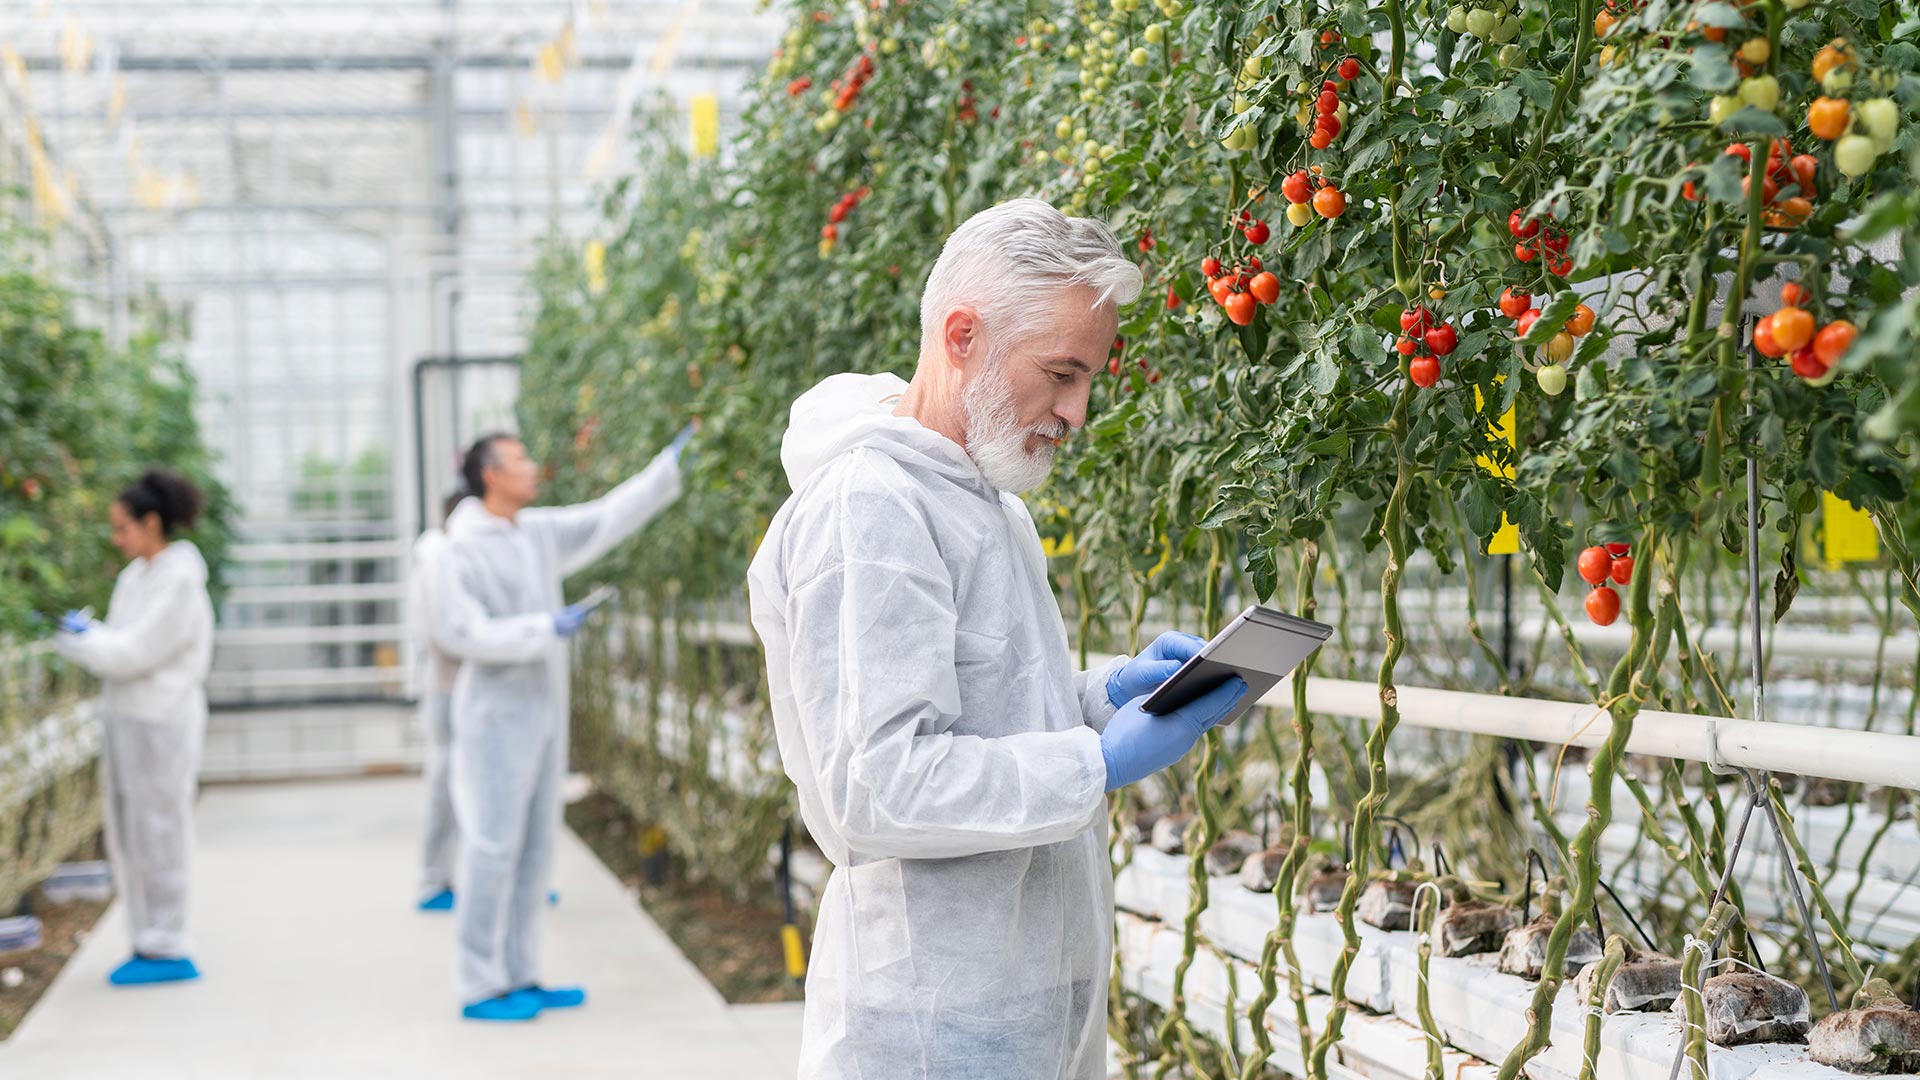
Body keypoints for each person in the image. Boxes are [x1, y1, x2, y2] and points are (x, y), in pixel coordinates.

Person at [746, 198, 1248, 1079]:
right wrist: (1096, 761)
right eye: (1060, 373)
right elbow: (879, 785)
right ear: (964, 335)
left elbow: (985, 696)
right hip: (932, 1014)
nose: (1078, 410)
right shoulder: (872, 509)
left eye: (1089, 377)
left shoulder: (981, 497)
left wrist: (1103, 695)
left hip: (1019, 989)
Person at [431, 427, 692, 1022]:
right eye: (521, 458)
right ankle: (477, 984)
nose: (533, 465)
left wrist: (665, 466)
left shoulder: (535, 531)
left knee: (533, 849)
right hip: (494, 718)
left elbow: (605, 518)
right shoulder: (459, 547)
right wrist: (542, 630)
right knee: (491, 847)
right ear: (490, 474)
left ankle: (520, 974)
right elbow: (458, 632)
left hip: (541, 712)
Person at [53, 469, 217, 988]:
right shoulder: (137, 576)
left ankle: (169, 940)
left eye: (123, 527)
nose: (116, 537)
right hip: (127, 718)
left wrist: (83, 641)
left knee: (160, 830)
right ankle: (147, 938)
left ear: (152, 523)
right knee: (129, 831)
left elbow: (135, 652)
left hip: (162, 720)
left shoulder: (180, 578)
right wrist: (92, 637)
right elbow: (120, 643)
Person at [411, 491, 468, 912]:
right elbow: (444, 632)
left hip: (452, 685)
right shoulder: (438, 558)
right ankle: (434, 881)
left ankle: (441, 877)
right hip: (448, 687)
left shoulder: (439, 556)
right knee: (445, 784)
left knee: (453, 784)